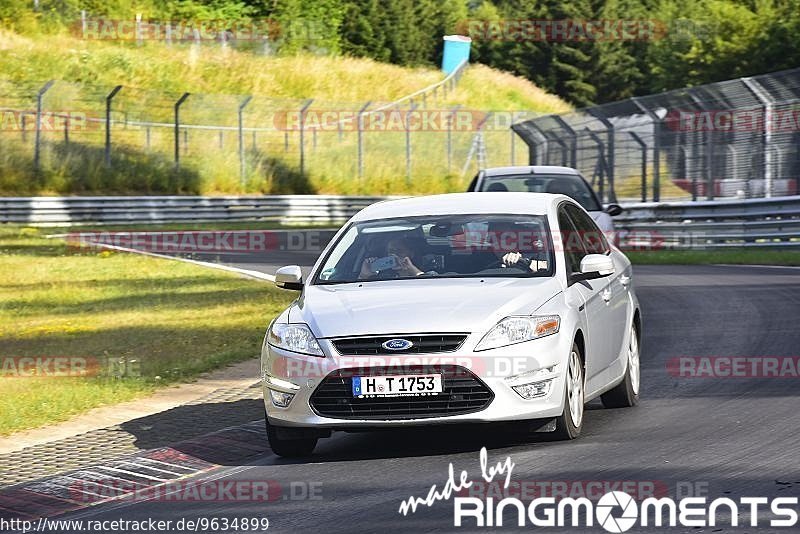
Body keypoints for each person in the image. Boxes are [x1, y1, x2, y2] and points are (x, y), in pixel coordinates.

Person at [359, 236, 426, 279]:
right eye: (391, 251)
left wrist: (411, 269)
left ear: (411, 254)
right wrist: (364, 275)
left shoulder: (429, 271)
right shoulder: (382, 277)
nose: (394, 255)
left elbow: (430, 286)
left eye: (399, 251)